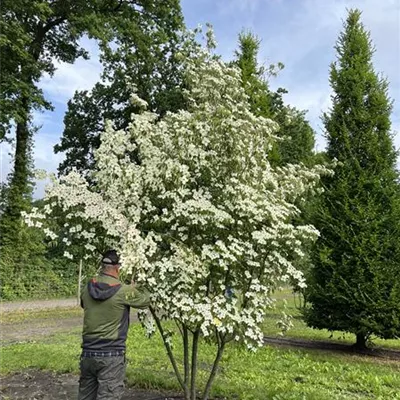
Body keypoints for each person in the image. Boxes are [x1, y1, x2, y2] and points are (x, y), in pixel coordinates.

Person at [78, 249, 150, 400]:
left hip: (88, 353)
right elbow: (145, 301)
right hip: (111, 354)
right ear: (117, 268)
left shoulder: (87, 287)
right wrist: (138, 287)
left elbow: (85, 305)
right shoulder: (123, 291)